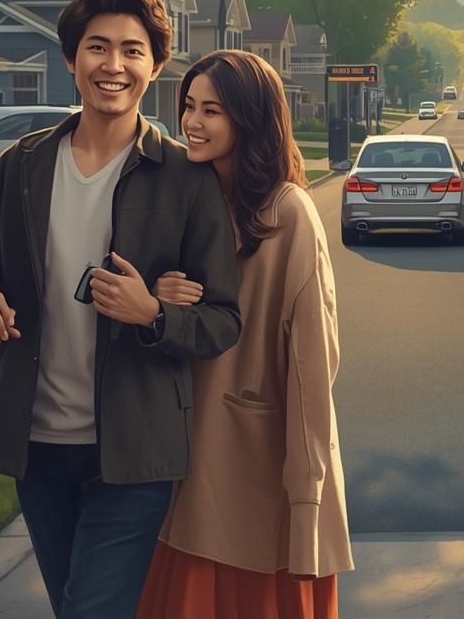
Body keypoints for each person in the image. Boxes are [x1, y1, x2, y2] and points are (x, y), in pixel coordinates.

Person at [0, 0, 243, 618]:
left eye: (132, 51)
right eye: (96, 47)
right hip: (37, 448)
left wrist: (153, 315)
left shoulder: (185, 179)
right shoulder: (20, 166)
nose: (113, 65)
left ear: (155, 67)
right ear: (71, 59)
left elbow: (221, 320)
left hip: (134, 454)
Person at [137, 49, 352, 619]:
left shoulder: (290, 212)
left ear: (250, 119)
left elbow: (314, 361)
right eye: (188, 107)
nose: (192, 123)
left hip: (254, 465)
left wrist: (307, 489)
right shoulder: (184, 196)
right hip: (175, 451)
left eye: (213, 110)